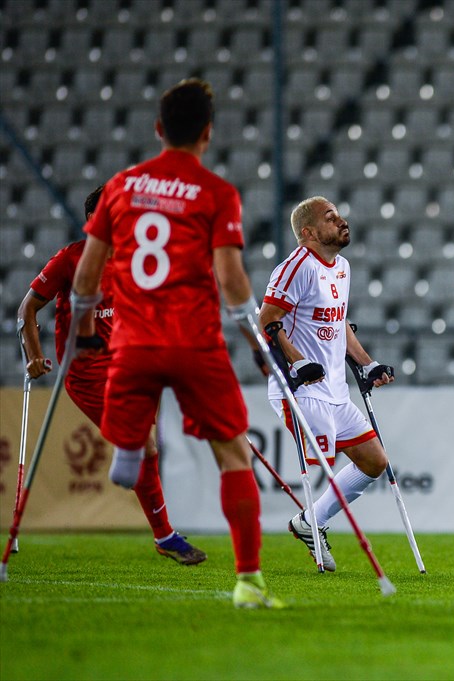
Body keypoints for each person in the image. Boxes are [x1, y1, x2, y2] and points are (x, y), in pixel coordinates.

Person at [70, 78, 283, 608]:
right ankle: (249, 584)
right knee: (233, 454)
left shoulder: (119, 187)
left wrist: (86, 334)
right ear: (207, 134)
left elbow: (88, 276)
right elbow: (232, 282)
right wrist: (255, 342)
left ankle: (127, 441)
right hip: (194, 343)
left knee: (136, 428)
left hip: (133, 345)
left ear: (159, 129)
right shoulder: (215, 193)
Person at [17, 185, 206, 565]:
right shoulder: (71, 259)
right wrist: (34, 356)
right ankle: (166, 536)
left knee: (148, 445)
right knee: (144, 443)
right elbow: (27, 309)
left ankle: (161, 530)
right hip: (88, 373)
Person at [258, 196, 394, 573]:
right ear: (309, 232)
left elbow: (340, 326)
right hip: (300, 388)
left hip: (335, 390)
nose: (341, 220)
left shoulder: (343, 267)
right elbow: (268, 320)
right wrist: (296, 361)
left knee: (374, 462)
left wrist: (368, 364)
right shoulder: (295, 267)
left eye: (339, 214)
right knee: (326, 461)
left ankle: (308, 522)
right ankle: (310, 525)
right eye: (330, 218)